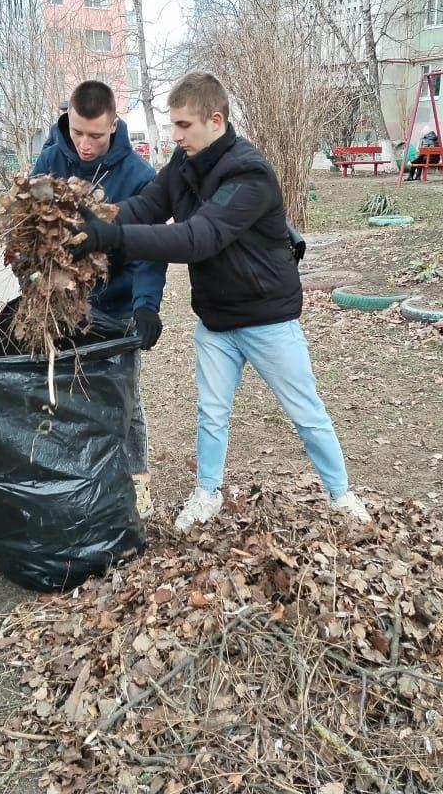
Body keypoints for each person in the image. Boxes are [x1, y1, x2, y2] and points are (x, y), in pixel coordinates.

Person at [68, 71, 372, 533]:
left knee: (305, 413)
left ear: (216, 119)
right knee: (212, 414)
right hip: (216, 320)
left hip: (267, 319)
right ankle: (207, 492)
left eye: (184, 125)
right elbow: (147, 205)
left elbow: (198, 237)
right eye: (173, 125)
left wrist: (112, 236)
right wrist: (95, 216)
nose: (176, 135)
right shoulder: (184, 165)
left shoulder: (249, 174)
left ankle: (341, 495)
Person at [33, 81, 166, 515]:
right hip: (63, 307)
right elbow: (33, 230)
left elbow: (149, 250)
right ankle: (81, 482)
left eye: (96, 135)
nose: (85, 145)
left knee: (124, 400)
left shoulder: (139, 177)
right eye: (77, 132)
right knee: (68, 395)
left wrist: (146, 305)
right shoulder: (50, 161)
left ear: (114, 123)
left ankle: (137, 485)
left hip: (118, 306)